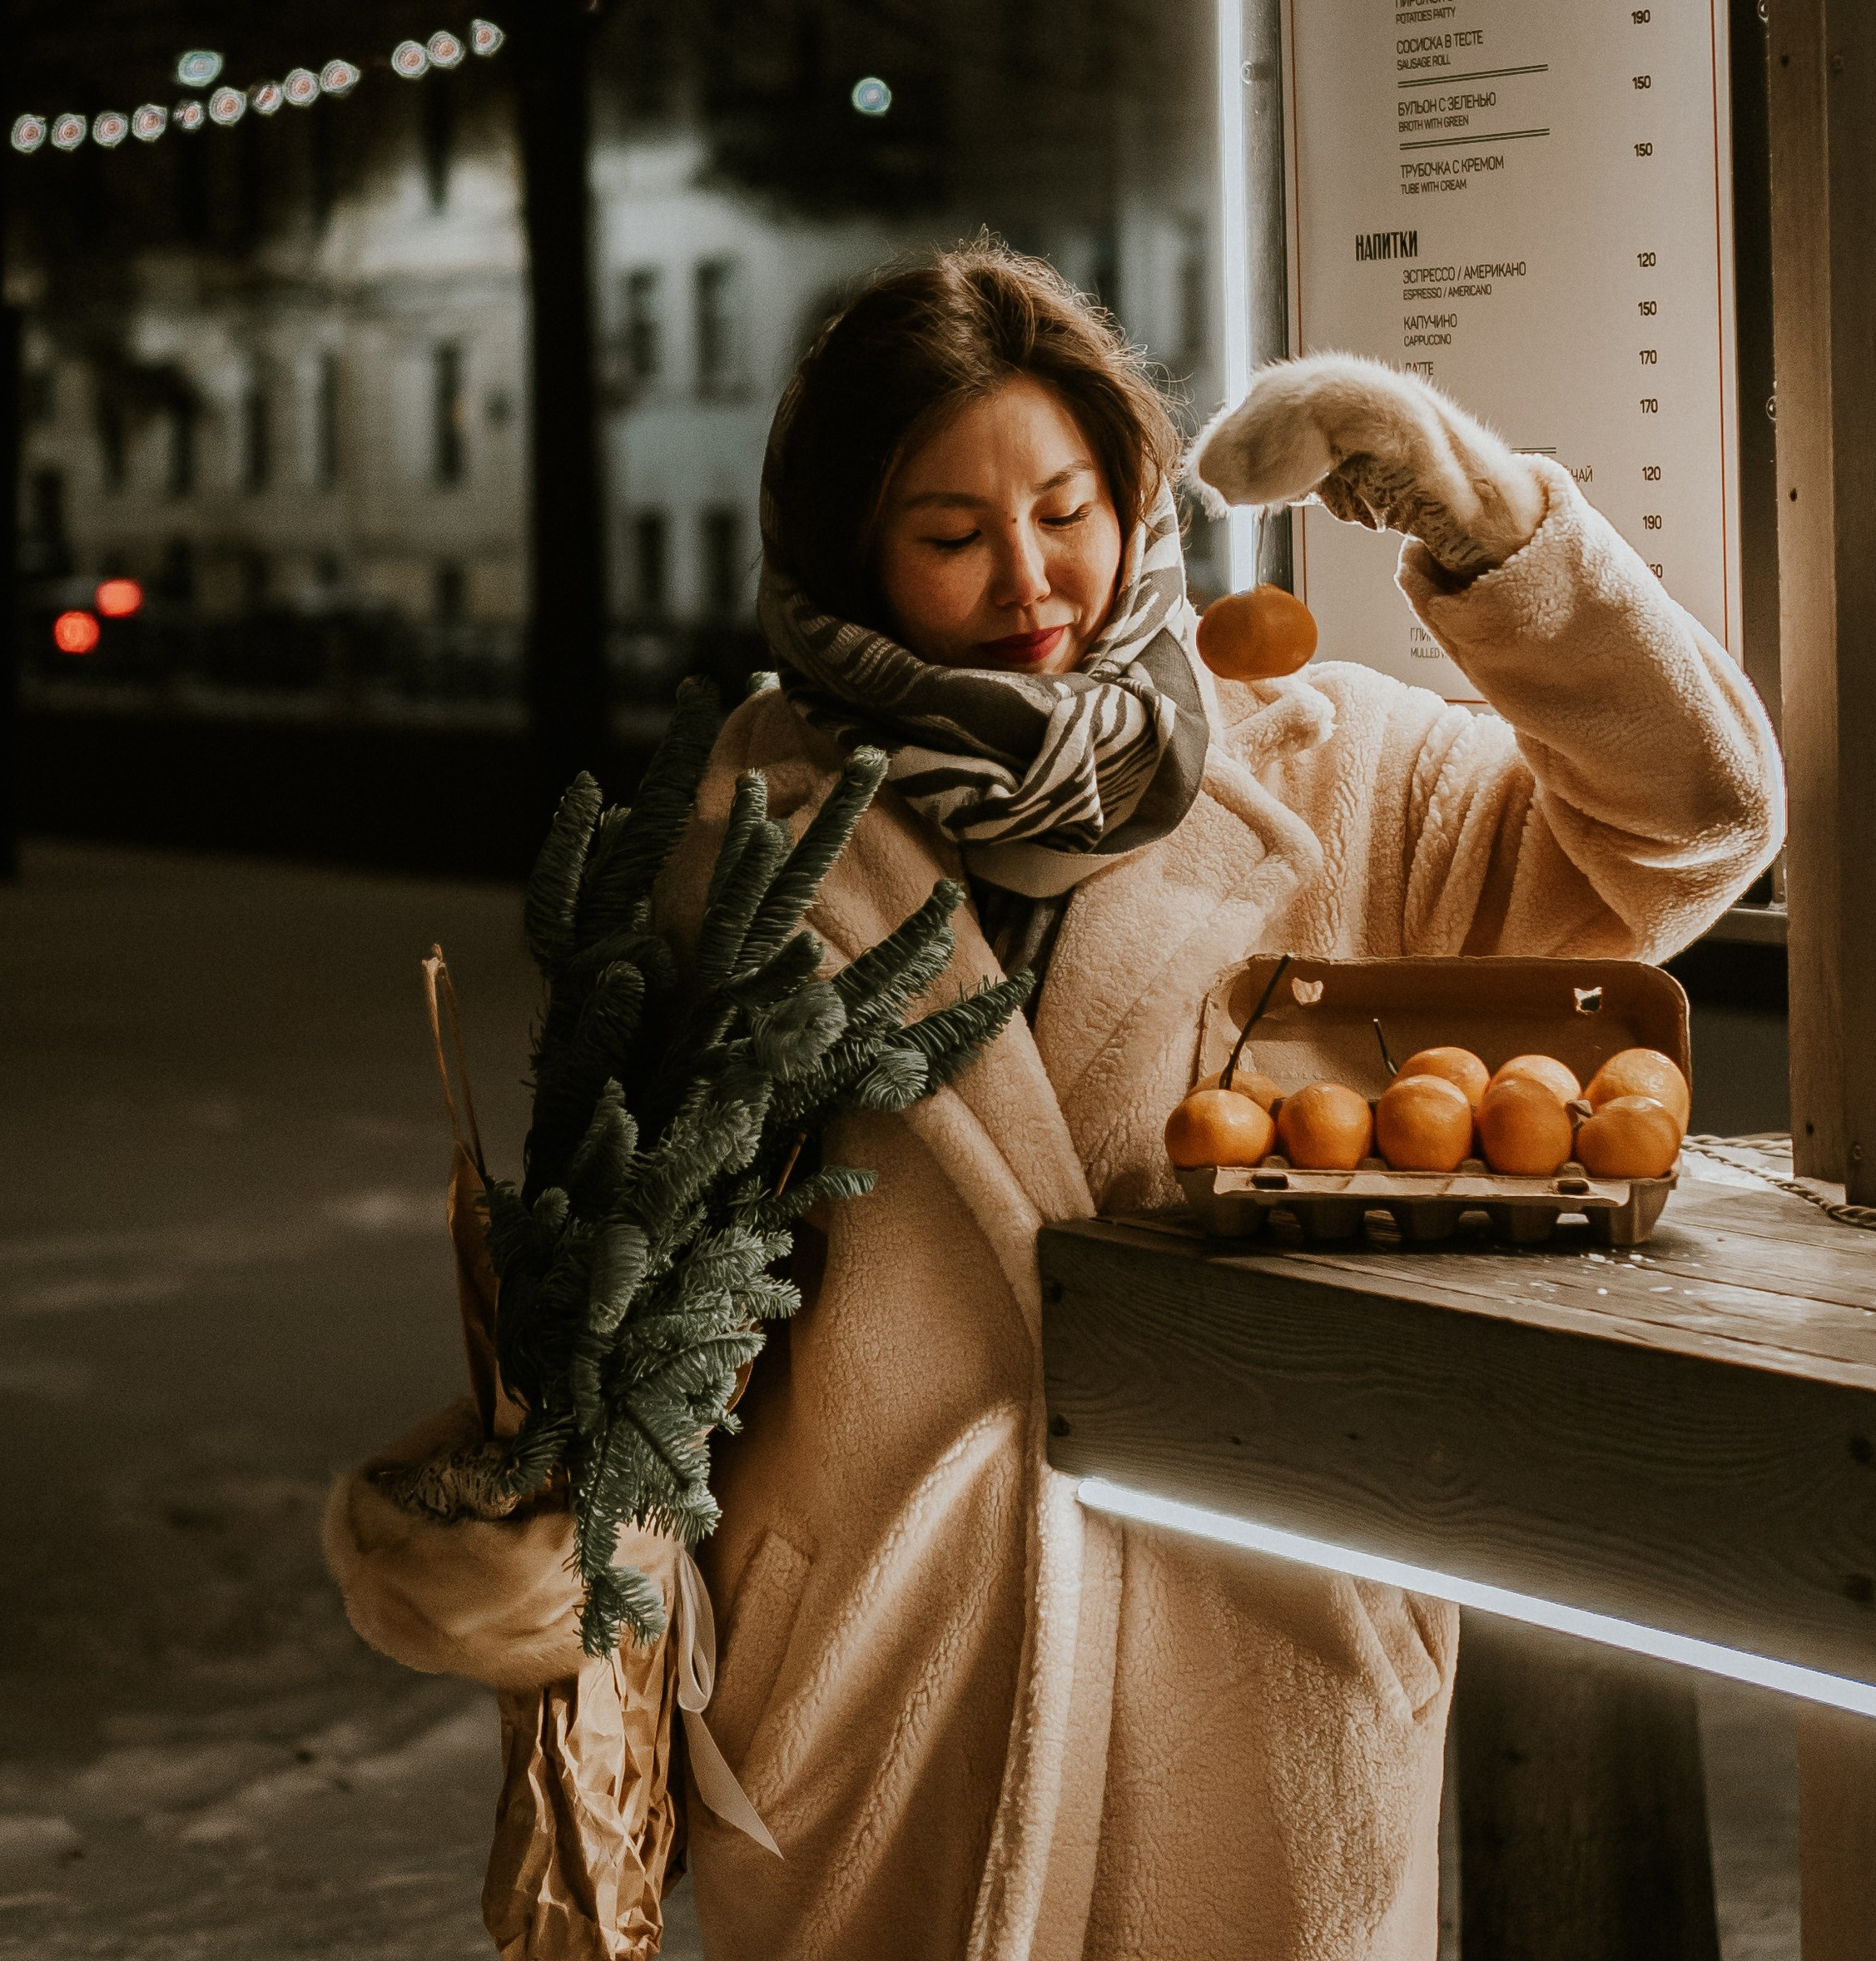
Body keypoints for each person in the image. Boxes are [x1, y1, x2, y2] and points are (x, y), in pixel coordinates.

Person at [342, 240, 1784, 1961]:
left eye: (1070, 505)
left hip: (1254, 1641)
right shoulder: (749, 821)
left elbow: (1691, 818)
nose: (1030, 578)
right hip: (873, 1668)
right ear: (846, 556)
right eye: (948, 535)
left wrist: (1468, 514)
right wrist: (562, 1501)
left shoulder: (1338, 767)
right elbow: (656, 1258)